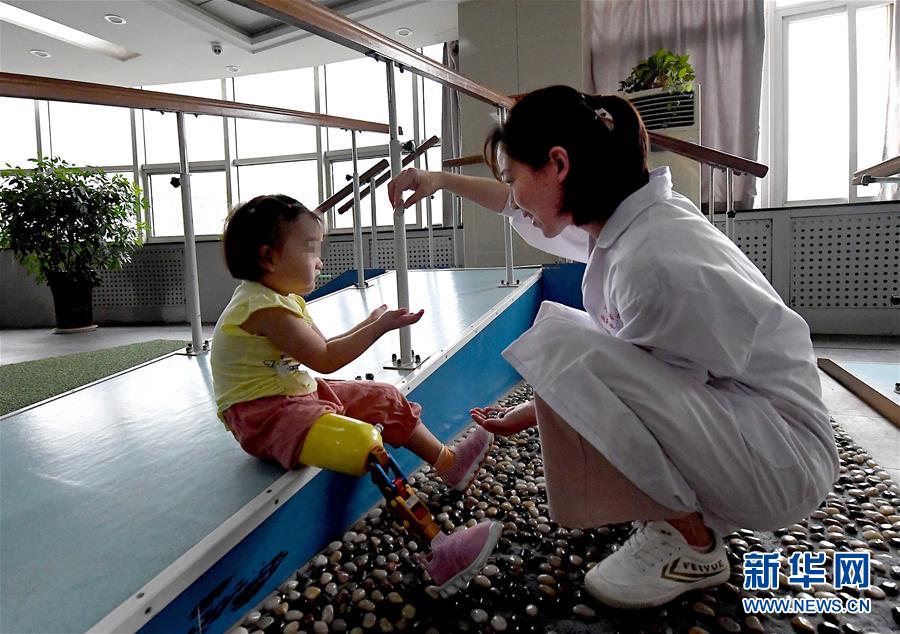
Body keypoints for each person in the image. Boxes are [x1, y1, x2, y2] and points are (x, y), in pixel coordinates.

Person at [387, 85, 839, 609]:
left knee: (561, 342)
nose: (515, 200)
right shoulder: (627, 222)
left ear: (558, 164)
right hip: (749, 428)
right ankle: (673, 513)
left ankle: (691, 540)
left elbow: (648, 392)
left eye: (515, 178)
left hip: (778, 461)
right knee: (571, 346)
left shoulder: (653, 262)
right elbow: (654, 382)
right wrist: (436, 180)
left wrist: (549, 401)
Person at [210, 194, 500, 595]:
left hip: (295, 395)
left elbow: (322, 347)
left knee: (384, 396)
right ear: (269, 257)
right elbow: (326, 358)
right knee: (364, 443)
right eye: (311, 250)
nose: (320, 260)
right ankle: (438, 547)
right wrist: (377, 330)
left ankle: (447, 462)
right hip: (264, 417)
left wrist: (367, 323)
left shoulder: (281, 300)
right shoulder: (261, 308)